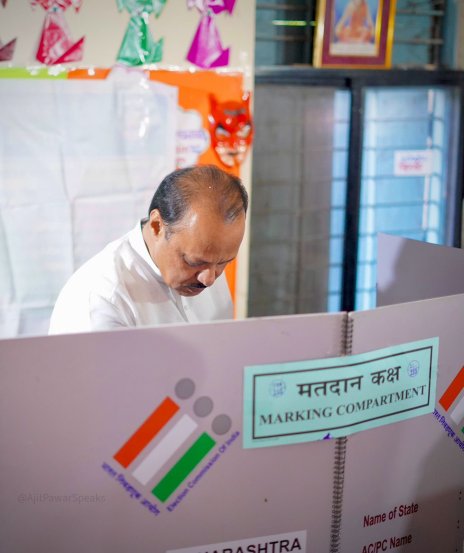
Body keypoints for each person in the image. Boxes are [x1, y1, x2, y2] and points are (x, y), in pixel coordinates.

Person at [49, 165, 247, 334]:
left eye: (224, 262)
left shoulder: (208, 259)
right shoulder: (103, 299)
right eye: (194, 262)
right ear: (156, 226)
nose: (209, 279)